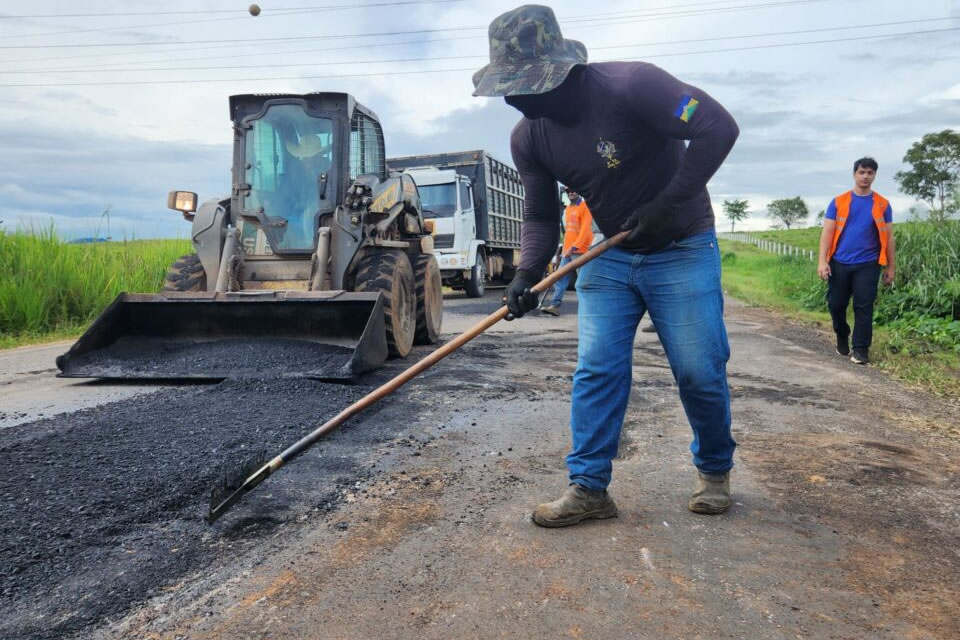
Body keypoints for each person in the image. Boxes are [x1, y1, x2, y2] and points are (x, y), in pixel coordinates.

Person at [473, 4, 740, 526]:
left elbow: (716, 126)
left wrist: (670, 202)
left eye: (522, 84)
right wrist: (527, 273)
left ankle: (713, 469)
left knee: (698, 371)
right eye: (506, 86)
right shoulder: (529, 136)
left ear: (559, 72)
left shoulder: (633, 86)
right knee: (597, 370)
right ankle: (590, 487)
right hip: (611, 256)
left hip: (683, 247)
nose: (512, 98)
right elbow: (541, 213)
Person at [817, 157, 895, 365]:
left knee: (864, 305)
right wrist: (822, 262)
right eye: (862, 172)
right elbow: (827, 232)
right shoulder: (839, 202)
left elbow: (889, 237)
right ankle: (842, 334)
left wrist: (891, 267)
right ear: (854, 174)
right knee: (836, 304)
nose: (865, 176)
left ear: (874, 176)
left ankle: (860, 349)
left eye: (870, 173)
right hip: (839, 261)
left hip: (869, 263)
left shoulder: (882, 204)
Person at [540, 188, 593, 316]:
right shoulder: (568, 209)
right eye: (568, 191)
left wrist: (574, 247)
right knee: (560, 278)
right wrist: (565, 249)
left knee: (582, 282)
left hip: (580, 251)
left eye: (573, 190)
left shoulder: (585, 207)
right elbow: (568, 232)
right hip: (567, 251)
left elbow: (585, 231)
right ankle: (555, 305)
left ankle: (587, 309)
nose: (570, 193)